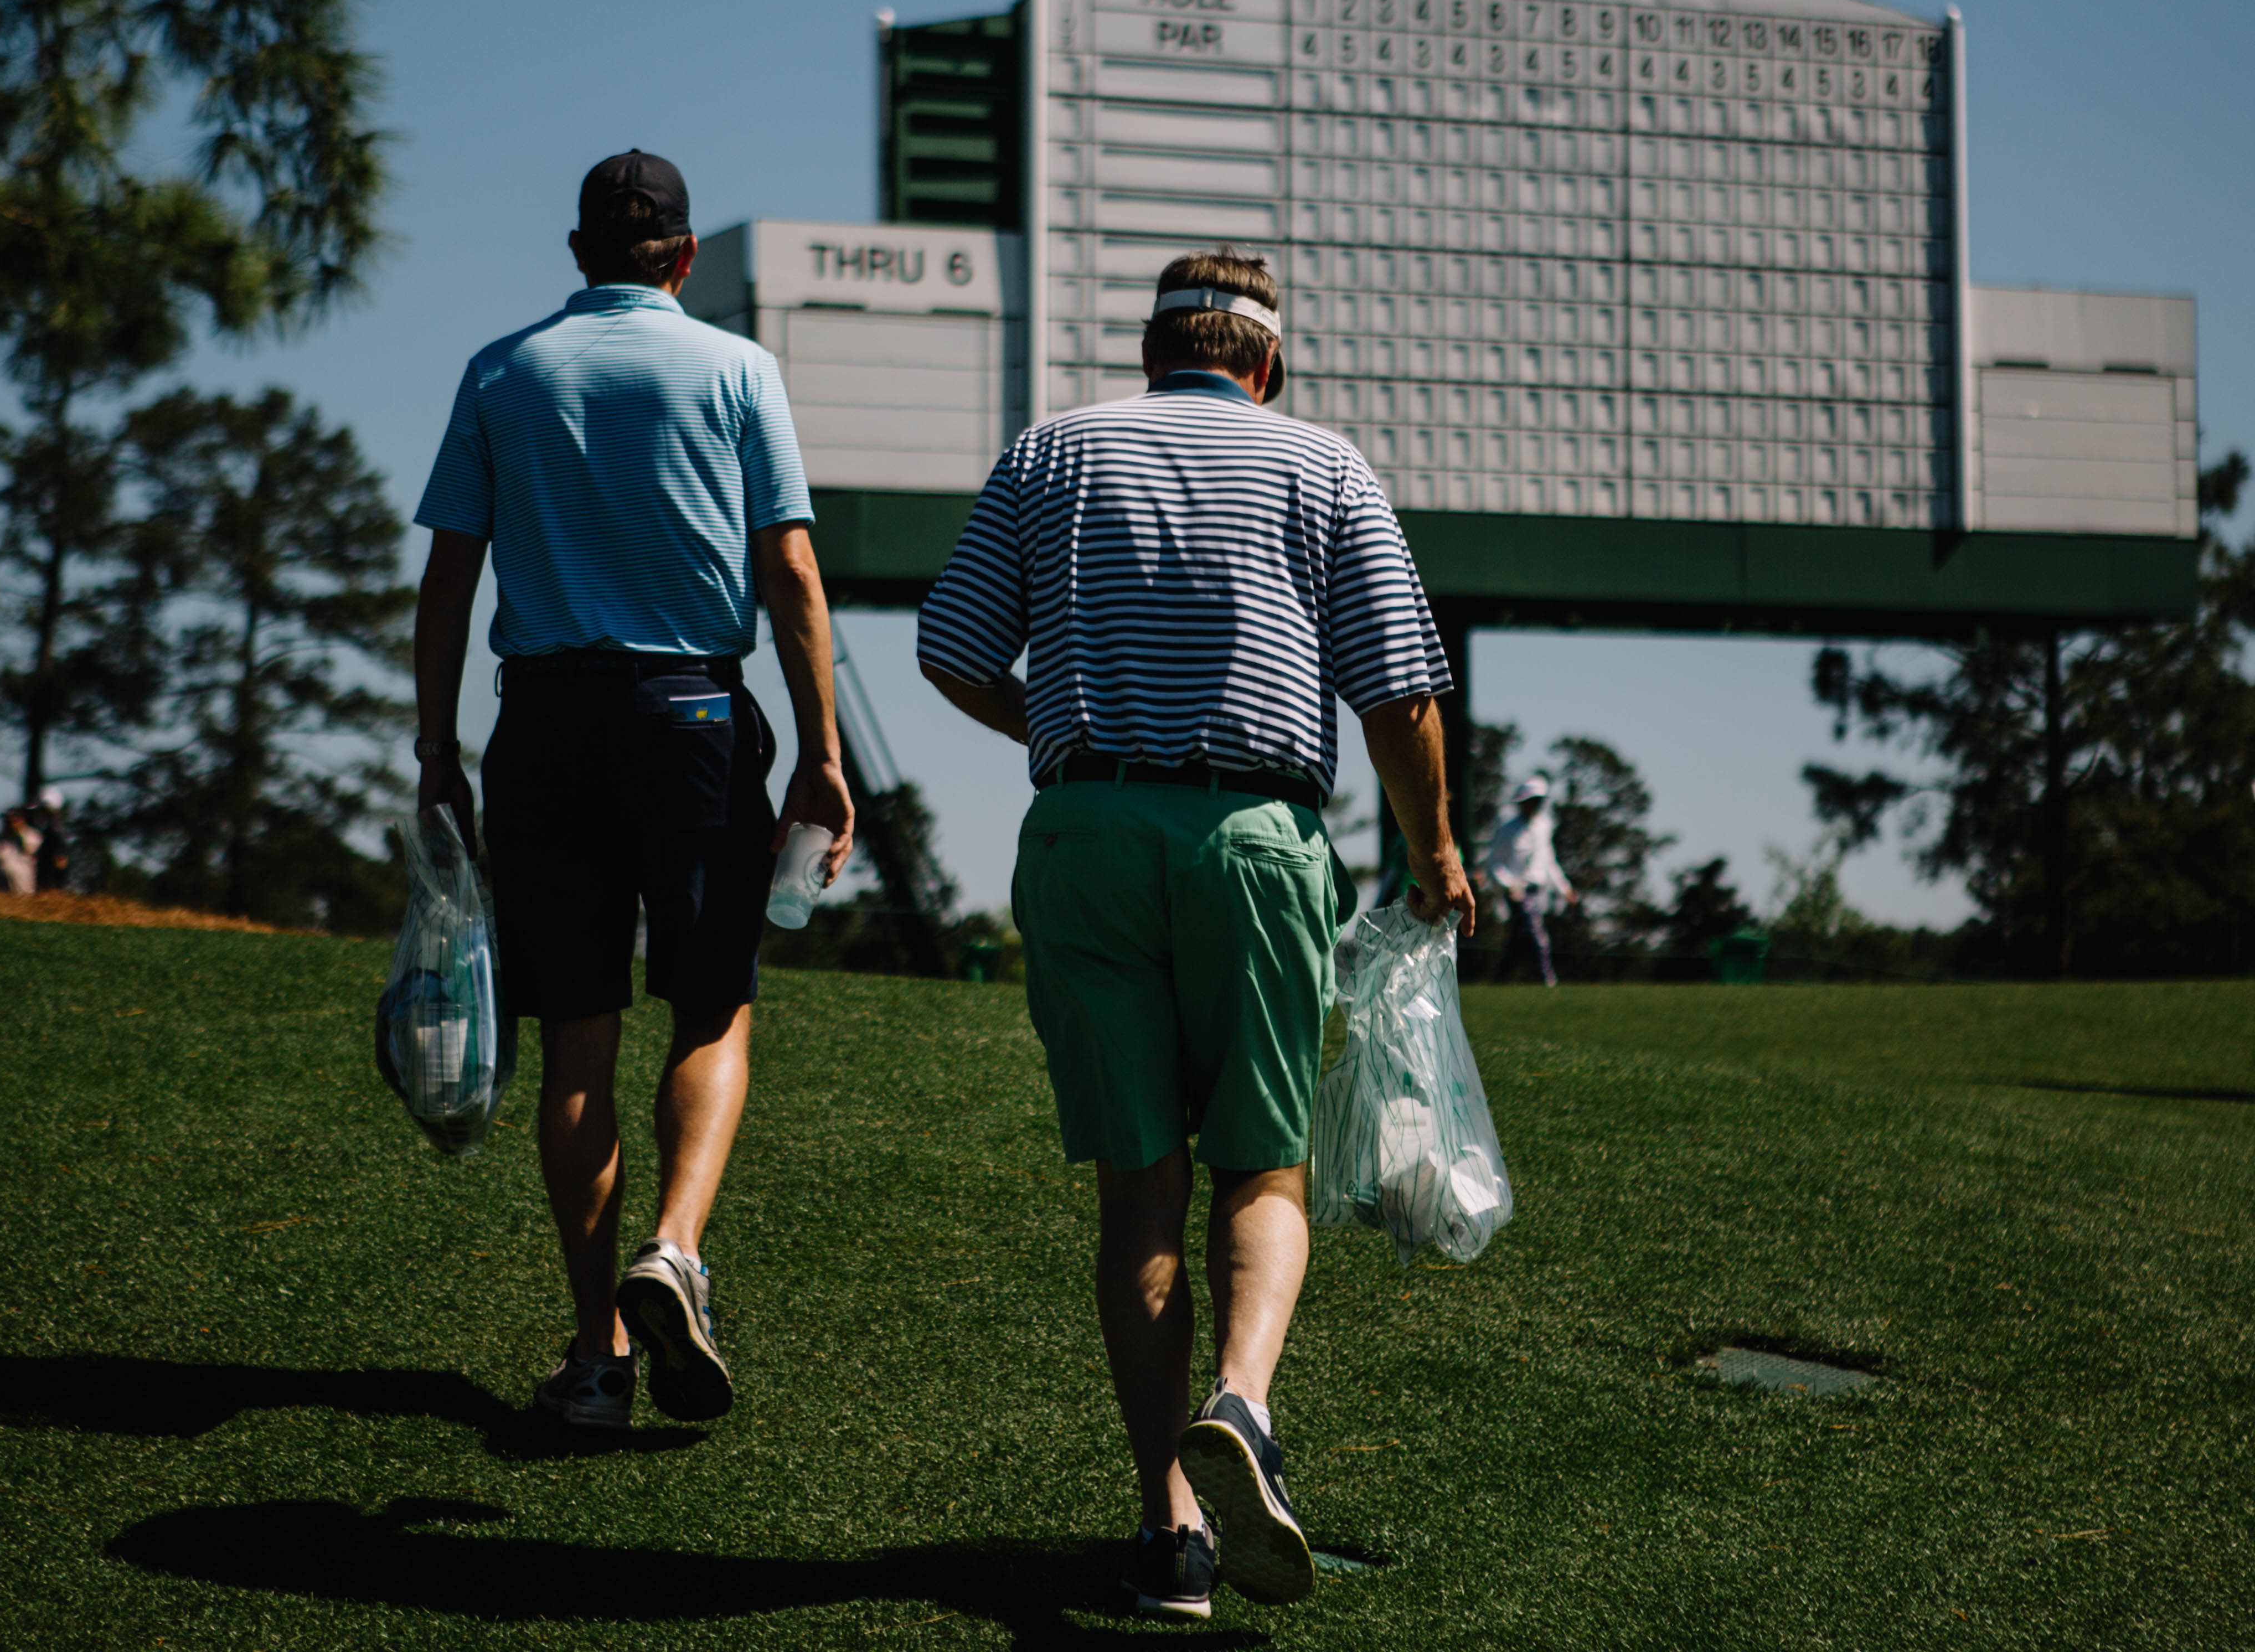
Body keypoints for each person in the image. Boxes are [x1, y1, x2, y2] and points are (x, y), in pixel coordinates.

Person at [916, 249, 1469, 1620]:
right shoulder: (1323, 465)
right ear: (1266, 361)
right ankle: (1242, 1398)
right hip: (1252, 834)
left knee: (1136, 1187)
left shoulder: (1051, 449)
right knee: (1261, 1166)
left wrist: (1054, 724)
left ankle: (1168, 1532)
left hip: (1086, 828)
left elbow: (950, 645)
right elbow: (1395, 690)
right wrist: (1433, 850)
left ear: (1151, 346)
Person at [411, 148, 851, 1434]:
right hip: (695, 711)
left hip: (542, 719)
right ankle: (675, 1246)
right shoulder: (735, 370)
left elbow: (448, 581)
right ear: (684, 254)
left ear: (575, 250)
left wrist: (434, 744)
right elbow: (791, 575)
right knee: (710, 1006)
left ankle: (597, 1352)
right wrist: (821, 752)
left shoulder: (501, 369)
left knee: (577, 1038)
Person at [1480, 772, 1575, 987]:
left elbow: (1549, 862)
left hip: (1537, 891)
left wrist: (1564, 888)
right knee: (1536, 935)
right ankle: (1547, 980)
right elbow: (1494, 864)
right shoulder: (1507, 830)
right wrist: (1510, 885)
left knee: (1517, 940)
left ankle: (1499, 979)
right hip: (1517, 893)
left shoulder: (1544, 827)